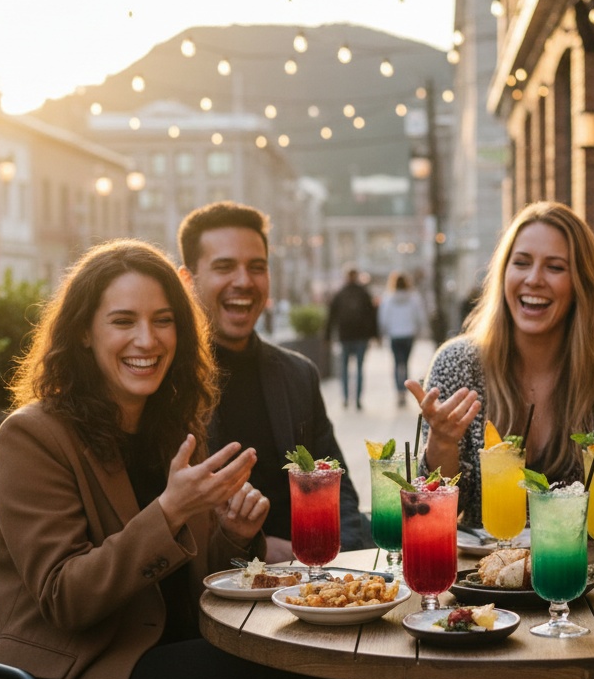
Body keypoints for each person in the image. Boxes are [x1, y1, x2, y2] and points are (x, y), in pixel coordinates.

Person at [0, 239, 355, 679]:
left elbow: (185, 582)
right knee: (285, 675)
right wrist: (170, 510)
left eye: (163, 320)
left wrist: (234, 535)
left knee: (305, 659)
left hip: (173, 652)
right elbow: (65, 598)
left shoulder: (173, 430)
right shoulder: (31, 437)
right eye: (123, 321)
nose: (147, 340)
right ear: (85, 332)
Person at [406, 200, 594, 679]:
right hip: (485, 589)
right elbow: (433, 512)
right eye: (522, 261)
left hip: (577, 594)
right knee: (503, 677)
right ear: (503, 273)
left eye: (555, 266)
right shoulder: (459, 361)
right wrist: (441, 446)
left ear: (579, 282)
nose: (533, 279)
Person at [177, 201, 373, 564]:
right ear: (188, 280)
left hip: (313, 578)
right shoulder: (167, 383)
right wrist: (260, 550)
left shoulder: (298, 374)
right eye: (224, 267)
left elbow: (338, 488)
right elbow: (167, 516)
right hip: (216, 587)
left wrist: (339, 562)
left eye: (257, 267)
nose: (244, 281)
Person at [326, 265, 379, 410]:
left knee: (344, 369)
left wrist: (328, 336)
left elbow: (331, 316)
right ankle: (357, 399)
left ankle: (345, 398)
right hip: (361, 337)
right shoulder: (364, 293)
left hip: (345, 336)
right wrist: (375, 335)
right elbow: (372, 316)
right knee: (359, 369)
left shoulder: (340, 293)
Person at [378, 270, 428, 407]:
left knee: (396, 363)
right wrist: (419, 329)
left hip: (394, 334)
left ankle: (399, 391)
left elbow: (383, 317)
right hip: (408, 334)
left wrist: (385, 331)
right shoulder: (414, 297)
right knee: (405, 363)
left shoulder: (388, 298)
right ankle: (405, 390)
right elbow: (420, 315)